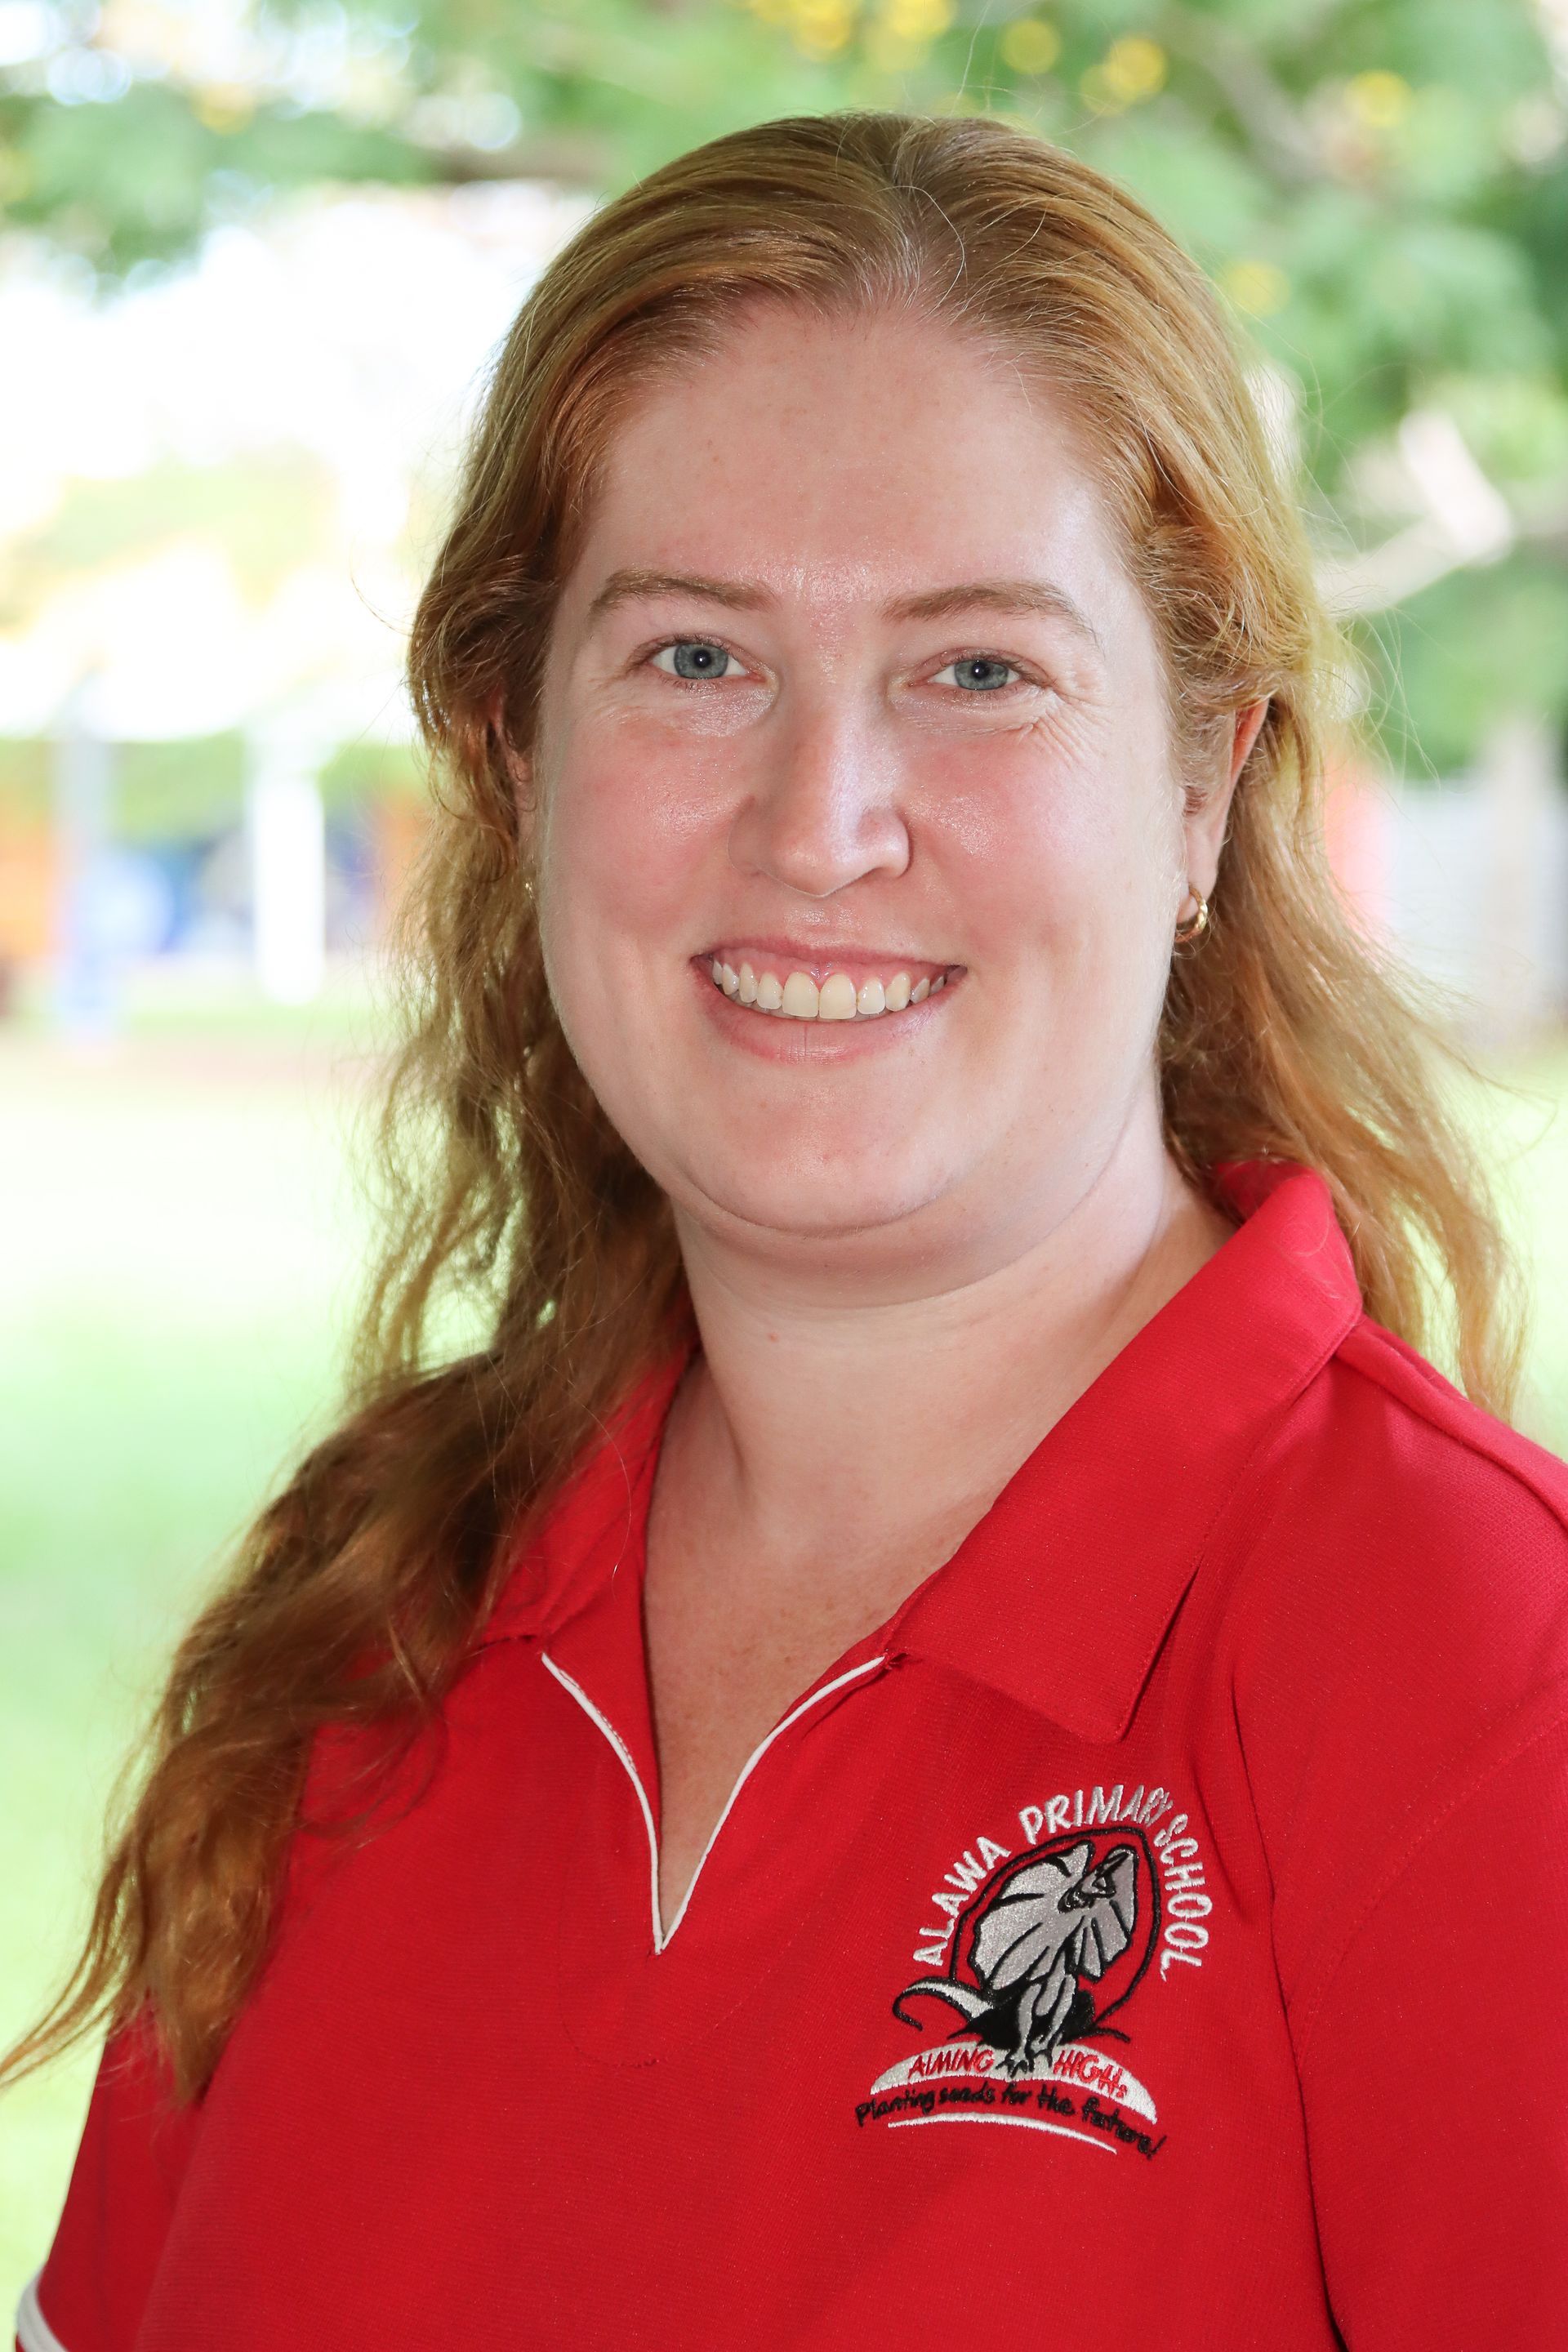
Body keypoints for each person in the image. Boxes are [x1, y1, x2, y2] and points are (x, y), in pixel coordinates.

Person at [7, 109, 1567, 2352]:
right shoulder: (366, 1628)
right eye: (696, 661)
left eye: (978, 669)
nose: (822, 825)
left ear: (1209, 782)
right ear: (520, 770)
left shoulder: (1480, 1678)